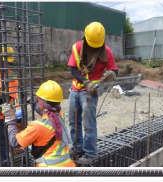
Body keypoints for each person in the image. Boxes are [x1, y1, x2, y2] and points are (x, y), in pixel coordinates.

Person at [67, 22, 118, 165]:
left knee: (89, 124)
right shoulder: (77, 47)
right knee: (73, 121)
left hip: (91, 93)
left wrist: (112, 75)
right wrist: (86, 82)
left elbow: (115, 70)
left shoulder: (106, 51)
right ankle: (78, 148)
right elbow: (73, 70)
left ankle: (90, 153)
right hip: (76, 89)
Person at [2, 80, 76, 167]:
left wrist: (10, 119)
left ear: (41, 104)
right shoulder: (59, 116)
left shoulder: (37, 126)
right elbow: (44, 108)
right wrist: (29, 98)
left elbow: (14, 141)